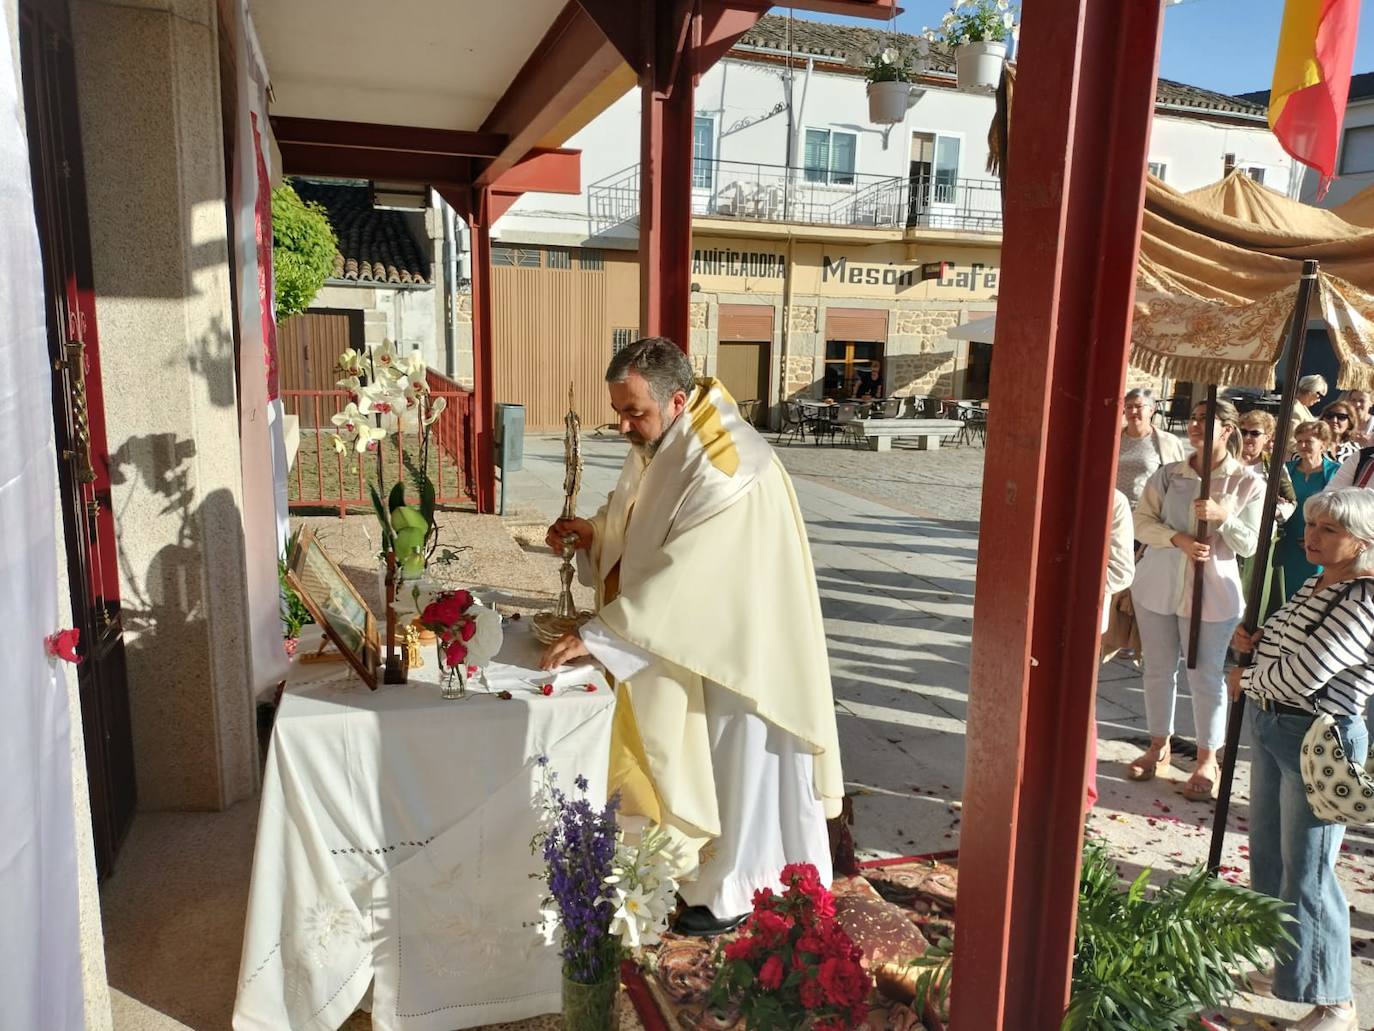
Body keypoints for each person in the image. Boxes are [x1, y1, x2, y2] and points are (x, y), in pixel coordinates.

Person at [540, 337, 843, 936]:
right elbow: (637, 515)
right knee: (708, 760)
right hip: (698, 638)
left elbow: (689, 573)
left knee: (740, 767)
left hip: (743, 652)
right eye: (620, 411)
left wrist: (604, 635)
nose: (624, 425)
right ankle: (699, 874)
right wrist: (593, 533)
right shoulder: (667, 435)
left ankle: (742, 889)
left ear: (676, 399)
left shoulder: (725, 464)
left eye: (634, 413)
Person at [1227, 488, 1374, 1031]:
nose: (1311, 537)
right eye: (1311, 525)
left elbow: (1310, 671)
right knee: (1270, 856)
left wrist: (1250, 676)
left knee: (1310, 871)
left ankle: (1335, 998)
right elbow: (1290, 649)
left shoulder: (1364, 597)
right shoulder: (1317, 581)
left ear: (1362, 541)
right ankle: (1293, 964)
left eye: (1328, 530)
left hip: (1320, 739)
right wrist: (1260, 642)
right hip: (1275, 725)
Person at [1127, 399, 1263, 799]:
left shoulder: (1246, 482)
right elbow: (1141, 521)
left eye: (1209, 419)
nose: (1198, 425)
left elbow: (1249, 545)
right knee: (1157, 668)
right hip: (1159, 585)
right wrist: (1178, 539)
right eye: (1195, 418)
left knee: (1204, 676)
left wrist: (1223, 516)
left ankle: (1207, 756)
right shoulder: (1169, 474)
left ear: (1228, 429)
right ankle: (1158, 744)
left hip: (1213, 592)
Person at [1087, 489, 1136, 811]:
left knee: (1079, 707)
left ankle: (1083, 795)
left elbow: (1121, 570)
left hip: (1084, 618)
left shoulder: (1113, 501)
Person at [1236, 410, 1296, 619]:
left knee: (1251, 593)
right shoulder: (1226, 461)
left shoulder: (1273, 466)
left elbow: (1291, 501)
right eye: (1243, 431)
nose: (1247, 438)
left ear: (1267, 438)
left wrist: (1276, 510)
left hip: (1259, 539)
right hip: (1226, 536)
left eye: (1254, 433)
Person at [1277, 422, 1342, 602]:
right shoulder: (1285, 470)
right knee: (1280, 593)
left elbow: (1337, 512)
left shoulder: (1336, 473)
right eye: (1299, 441)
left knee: (1310, 595)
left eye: (1308, 441)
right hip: (1285, 542)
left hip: (1317, 544)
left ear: (1323, 443)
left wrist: (1314, 538)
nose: (1302, 445)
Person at [1116, 387, 1186, 510]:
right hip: (1115, 510)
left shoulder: (1167, 443)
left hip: (1147, 512)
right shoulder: (1114, 439)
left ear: (1152, 410)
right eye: (1128, 407)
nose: (1133, 411)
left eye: (1139, 406)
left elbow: (1178, 482)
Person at [1319, 400, 1360, 465]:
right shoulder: (1310, 443)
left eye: (1341, 417)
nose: (1334, 420)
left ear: (1350, 423)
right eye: (1330, 415)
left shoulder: (1356, 450)